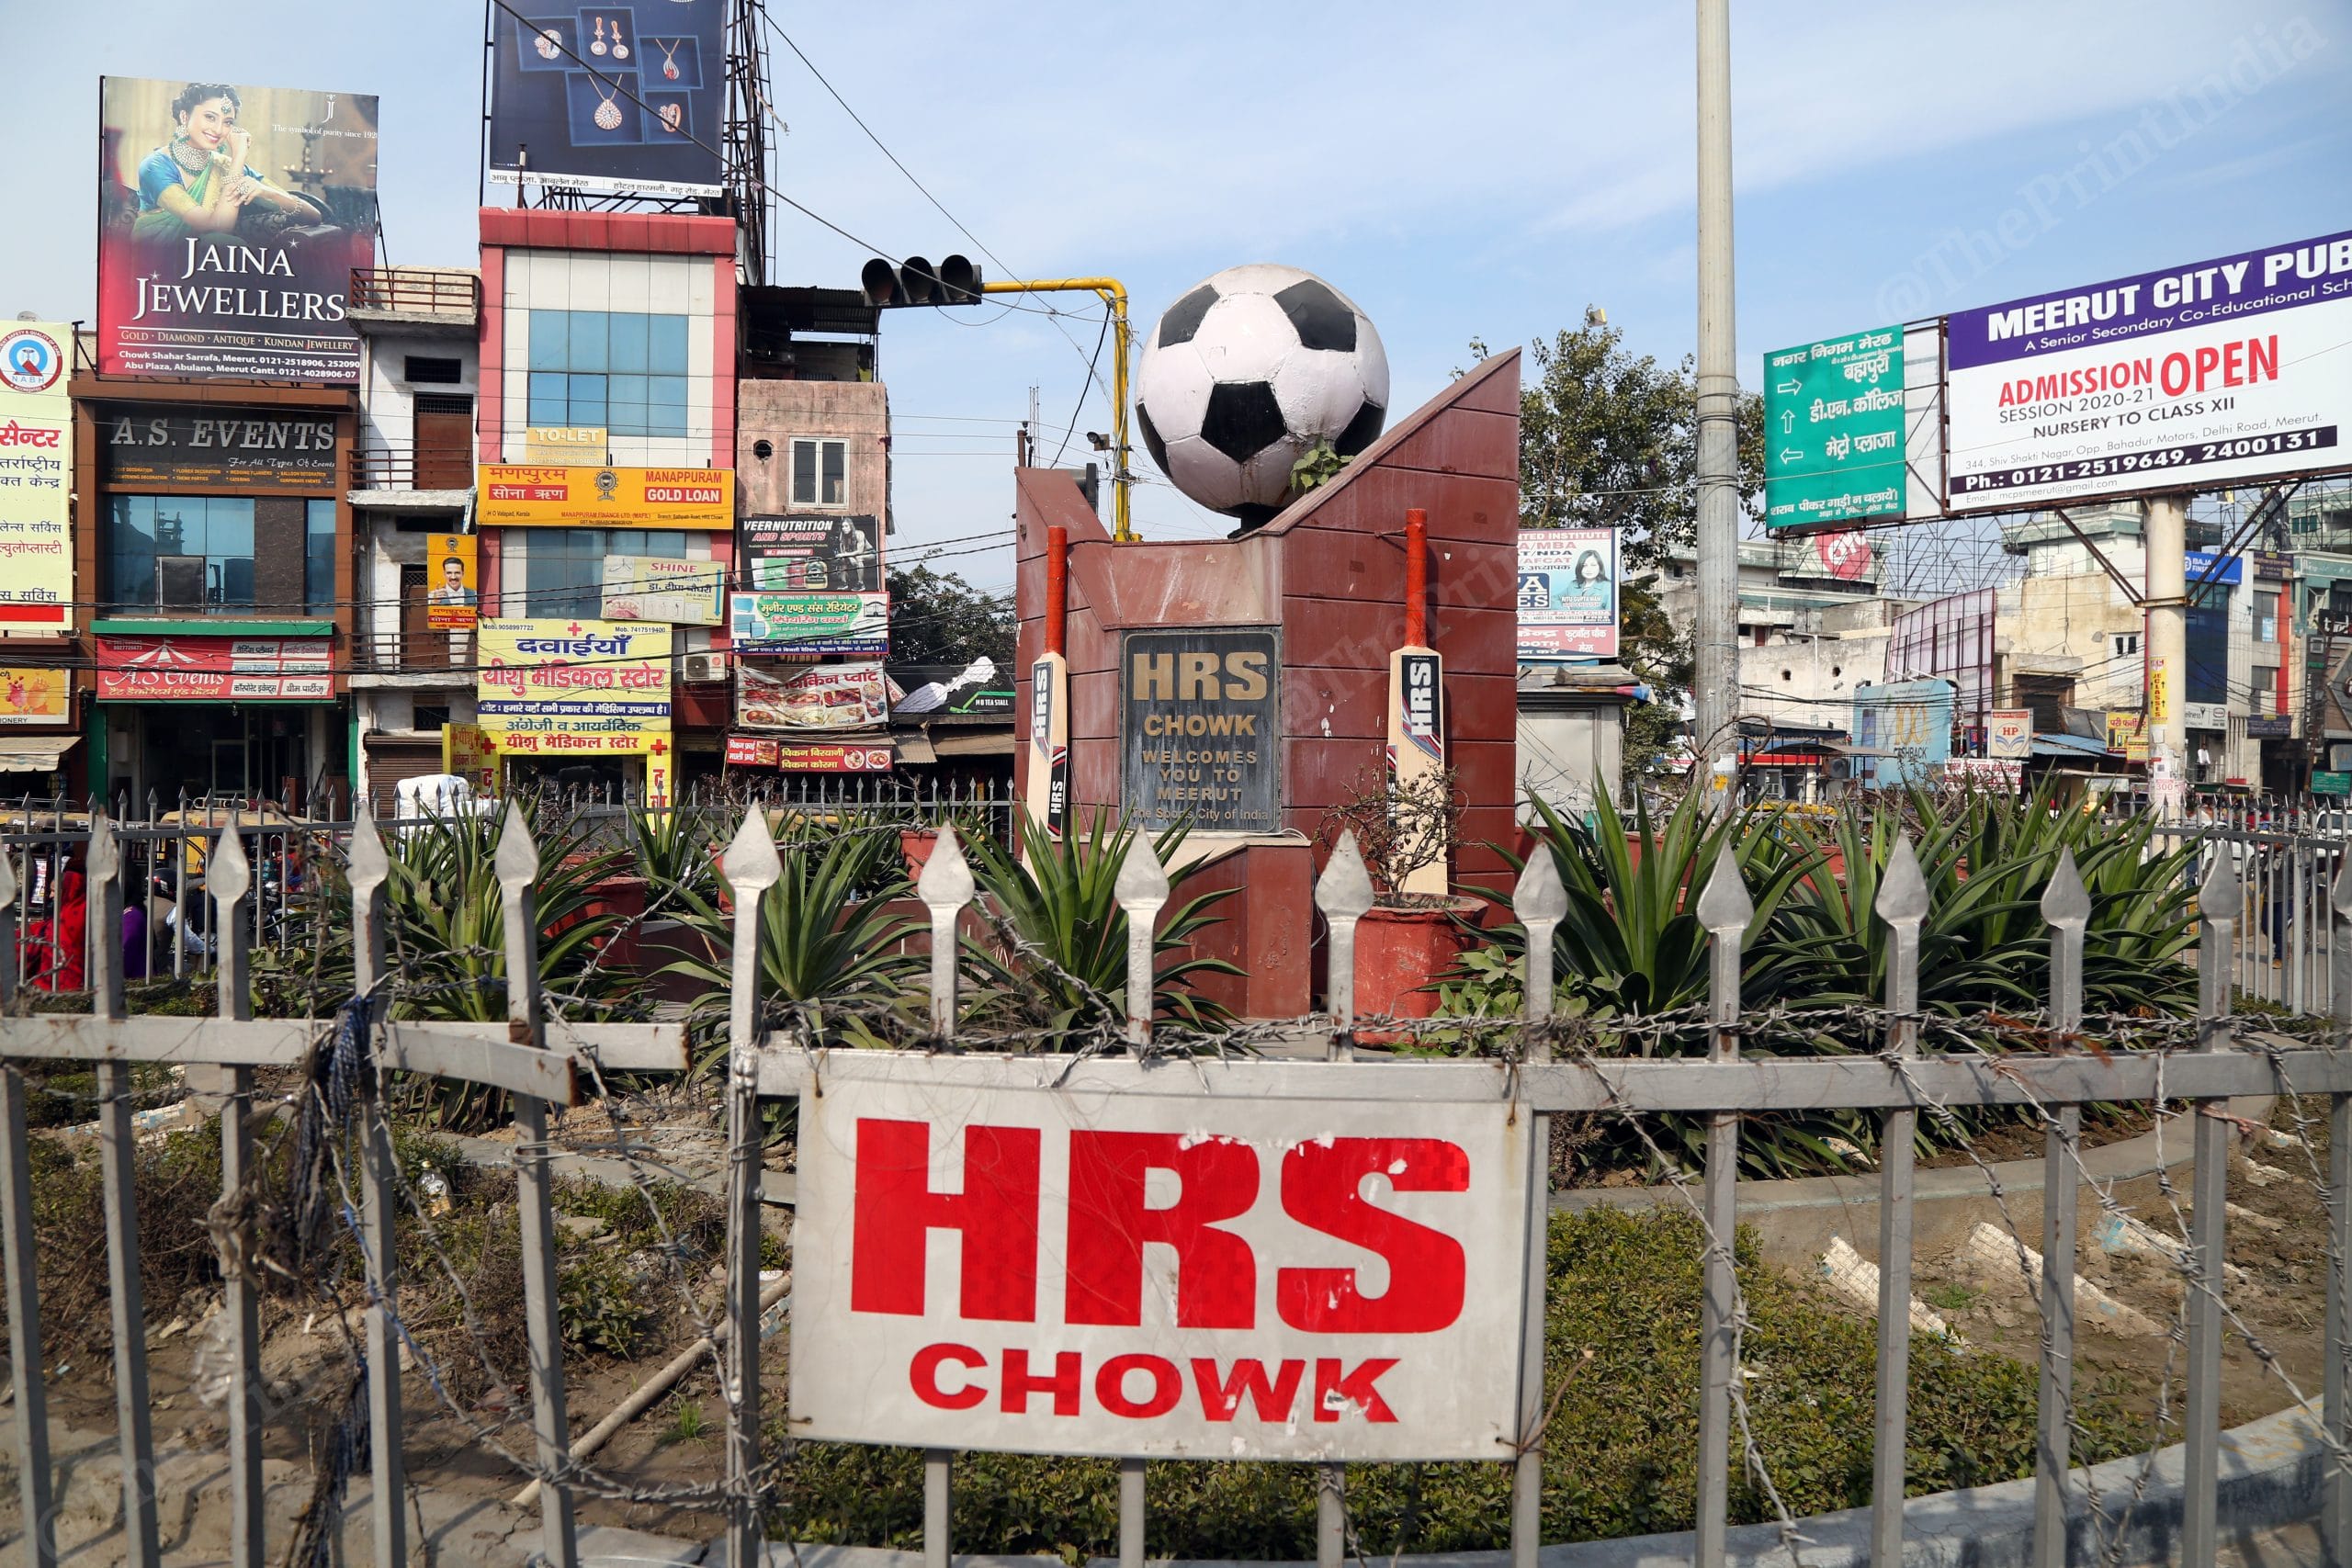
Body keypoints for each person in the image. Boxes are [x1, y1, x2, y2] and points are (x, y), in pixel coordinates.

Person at [132, 84, 318, 243]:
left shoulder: (225, 165)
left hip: (209, 260)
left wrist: (267, 192)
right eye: (210, 117)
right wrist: (239, 156)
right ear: (184, 117)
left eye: (227, 122)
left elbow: (314, 216)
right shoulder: (155, 166)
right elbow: (217, 228)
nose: (219, 130)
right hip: (158, 258)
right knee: (221, 242)